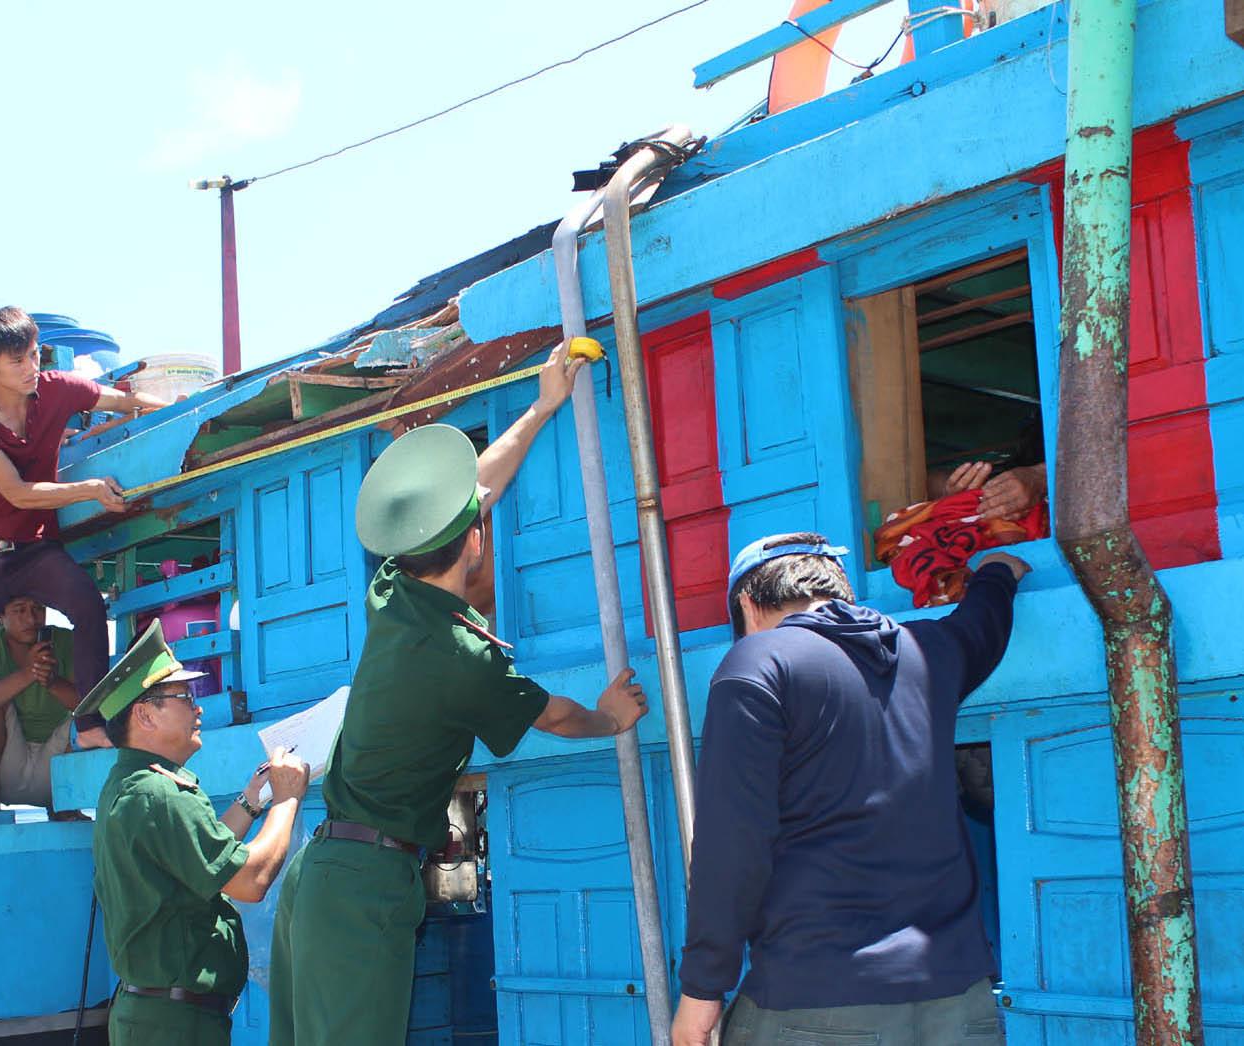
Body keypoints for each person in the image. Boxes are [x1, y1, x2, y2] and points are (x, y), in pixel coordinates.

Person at [266, 342, 652, 1046]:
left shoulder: (392, 591)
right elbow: (558, 717)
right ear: (475, 543)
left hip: (321, 872)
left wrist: (540, 406)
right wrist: (612, 717)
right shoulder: (463, 657)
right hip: (363, 889)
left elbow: (475, 490)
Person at [670, 533, 1030, 1046]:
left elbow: (732, 844)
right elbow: (984, 626)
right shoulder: (931, 649)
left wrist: (702, 990)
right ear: (843, 595)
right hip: (959, 1002)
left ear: (747, 606)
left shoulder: (759, 662)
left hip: (814, 1001)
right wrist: (998, 569)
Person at [0, 307, 172, 838]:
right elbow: (18, 492)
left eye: (34, 354)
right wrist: (89, 490)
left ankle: (90, 726)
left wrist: (171, 403)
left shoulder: (58, 389)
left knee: (89, 607)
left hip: (36, 548)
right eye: (16, 359)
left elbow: (124, 398)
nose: (30, 367)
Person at [84, 622, 309, 1045]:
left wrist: (251, 801)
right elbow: (250, 879)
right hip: (175, 1023)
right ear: (145, 714)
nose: (198, 707)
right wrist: (287, 799)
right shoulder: (160, 793)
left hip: (158, 1016)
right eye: (185, 697)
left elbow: (203, 856)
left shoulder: (132, 783)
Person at [0, 596, 110, 814]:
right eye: (19, 610)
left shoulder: (64, 640)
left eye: (38, 609)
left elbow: (89, 707)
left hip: (56, 764)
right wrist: (28, 674)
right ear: (0, 615)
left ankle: (65, 804)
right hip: (3, 764)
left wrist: (52, 683)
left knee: (93, 721)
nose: (31, 618)